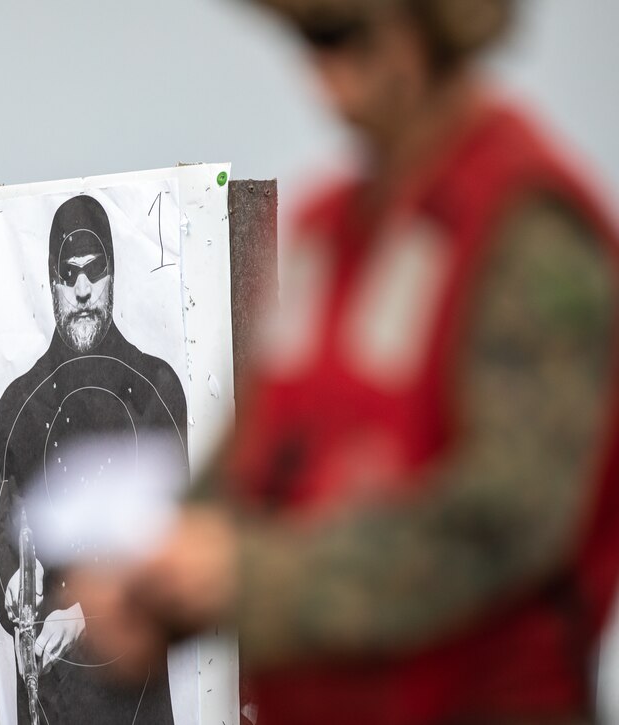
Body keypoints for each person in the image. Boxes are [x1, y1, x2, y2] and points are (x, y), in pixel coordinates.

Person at [73, 2, 619, 724]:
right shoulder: (327, 234)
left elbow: (505, 518)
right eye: (306, 39)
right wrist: (153, 579)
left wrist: (253, 577)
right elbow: (258, 465)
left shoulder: (528, 231)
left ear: (432, 29)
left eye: (343, 38)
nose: (321, 79)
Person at [0, 194, 187, 724]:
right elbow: (7, 531)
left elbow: (172, 538)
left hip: (133, 696)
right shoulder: (18, 402)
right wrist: (11, 581)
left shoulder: (156, 387)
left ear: (112, 277)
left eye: (93, 272)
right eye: (68, 274)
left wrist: (85, 612)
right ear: (51, 283)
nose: (82, 290)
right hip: (48, 700)